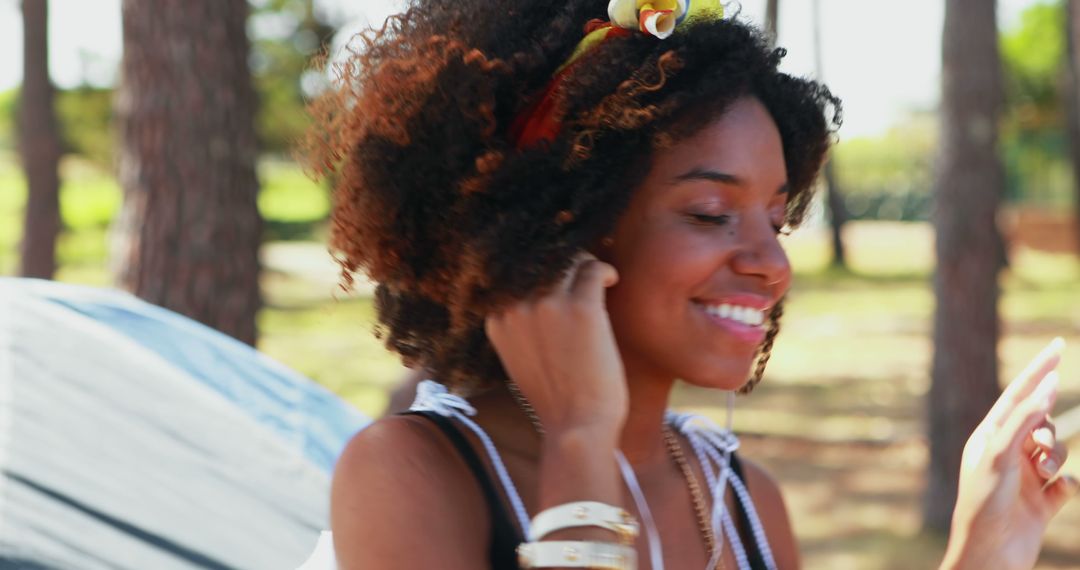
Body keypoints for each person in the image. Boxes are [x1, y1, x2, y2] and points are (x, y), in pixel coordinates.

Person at [302, 1, 1076, 568]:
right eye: (710, 212)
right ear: (561, 224)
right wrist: (580, 439)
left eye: (776, 219)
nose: (771, 264)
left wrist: (982, 553)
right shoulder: (413, 474)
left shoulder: (741, 499)